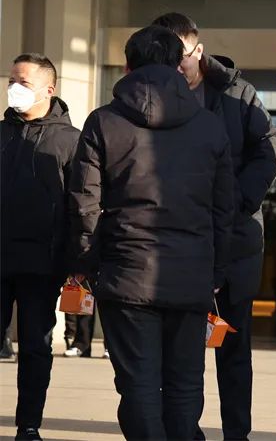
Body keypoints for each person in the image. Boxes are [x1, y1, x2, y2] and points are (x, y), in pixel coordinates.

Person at [67, 25, 235, 440]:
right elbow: (222, 209)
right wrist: (216, 270)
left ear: (127, 66)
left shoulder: (103, 122)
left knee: (138, 384)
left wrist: (88, 262)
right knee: (185, 385)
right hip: (191, 273)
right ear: (179, 66)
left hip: (127, 272)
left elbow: (84, 203)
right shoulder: (209, 126)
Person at [151, 12, 276, 440]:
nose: (176, 66)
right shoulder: (152, 94)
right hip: (175, 241)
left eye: (182, 56)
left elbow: (270, 151)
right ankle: (183, 431)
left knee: (232, 348)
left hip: (235, 240)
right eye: (166, 57)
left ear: (199, 50)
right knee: (177, 347)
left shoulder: (237, 93)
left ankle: (236, 433)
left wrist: (236, 202)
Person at [1, 53, 80, 441]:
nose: (14, 88)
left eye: (24, 83)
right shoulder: (1, 134)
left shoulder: (71, 141)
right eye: (11, 81)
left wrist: (77, 260)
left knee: (35, 348)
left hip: (42, 265)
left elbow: (81, 205)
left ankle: (28, 424)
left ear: (49, 89)